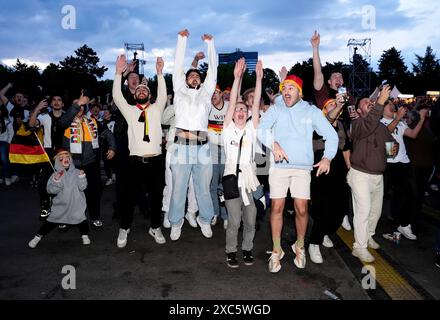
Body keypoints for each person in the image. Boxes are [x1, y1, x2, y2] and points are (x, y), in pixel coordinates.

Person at [257, 74, 338, 271]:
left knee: (301, 209)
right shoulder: (276, 109)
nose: (286, 92)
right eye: (284, 88)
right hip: (279, 167)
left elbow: (331, 135)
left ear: (299, 92)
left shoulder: (311, 111)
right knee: (276, 207)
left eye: (291, 88)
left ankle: (299, 245)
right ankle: (277, 250)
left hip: (302, 168)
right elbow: (261, 129)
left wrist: (327, 157)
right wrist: (273, 143)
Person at [113, 55, 167, 247]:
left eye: (145, 89)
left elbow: (162, 94)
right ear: (135, 95)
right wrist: (119, 72)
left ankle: (155, 226)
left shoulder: (157, 109)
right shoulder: (130, 111)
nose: (141, 91)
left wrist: (159, 73)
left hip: (156, 161)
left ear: (149, 95)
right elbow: (117, 96)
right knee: (129, 197)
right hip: (134, 162)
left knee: (156, 197)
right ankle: (124, 228)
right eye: (139, 90)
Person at [168, 29, 217, 241]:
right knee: (178, 187)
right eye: (191, 75)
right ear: (186, 79)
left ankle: (205, 219)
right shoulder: (179, 90)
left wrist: (210, 44)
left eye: (197, 75)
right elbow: (177, 65)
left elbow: (213, 70)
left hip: (203, 147)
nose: (194, 77)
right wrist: (182, 39)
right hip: (181, 145)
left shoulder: (206, 94)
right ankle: (176, 222)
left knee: (203, 188)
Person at [347, 85, 396, 263]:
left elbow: (391, 148)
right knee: (363, 211)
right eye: (366, 102)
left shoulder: (382, 128)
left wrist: (392, 149)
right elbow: (369, 123)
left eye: (372, 101)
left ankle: (368, 236)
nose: (371, 103)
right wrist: (381, 101)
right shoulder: (358, 123)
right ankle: (359, 248)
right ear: (359, 111)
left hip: (378, 176)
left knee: (375, 211)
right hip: (360, 174)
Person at [223, 58, 262, 268]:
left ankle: (247, 249)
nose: (240, 111)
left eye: (243, 110)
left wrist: (258, 78)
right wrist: (237, 78)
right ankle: (231, 251)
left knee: (251, 218)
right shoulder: (228, 128)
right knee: (234, 220)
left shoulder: (251, 128)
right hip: (231, 178)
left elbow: (255, 104)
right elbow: (230, 105)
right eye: (237, 109)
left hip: (248, 179)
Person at [59, 93, 116, 228]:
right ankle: (66, 219)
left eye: (82, 106)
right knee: (68, 193)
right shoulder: (66, 121)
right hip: (71, 164)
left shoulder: (92, 121)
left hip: (91, 164)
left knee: (94, 193)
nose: (79, 108)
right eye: (76, 105)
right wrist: (78, 102)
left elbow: (108, 134)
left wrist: (113, 147)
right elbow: (62, 122)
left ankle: (94, 217)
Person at [381, 101, 428, 240]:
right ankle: (367, 226)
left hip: (404, 163)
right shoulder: (379, 122)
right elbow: (385, 133)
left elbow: (413, 134)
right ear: (382, 108)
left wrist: (422, 119)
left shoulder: (400, 122)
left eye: (392, 104)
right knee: (379, 196)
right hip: (387, 165)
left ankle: (404, 224)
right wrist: (397, 118)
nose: (392, 106)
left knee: (411, 195)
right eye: (388, 104)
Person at [28, 149, 90, 248]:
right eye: (61, 158)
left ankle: (84, 235)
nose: (65, 159)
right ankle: (37, 237)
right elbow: (50, 190)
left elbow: (82, 187)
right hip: (61, 205)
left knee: (82, 221)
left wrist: (82, 177)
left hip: (76, 205)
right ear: (57, 161)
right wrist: (56, 181)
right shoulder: (55, 174)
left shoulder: (78, 172)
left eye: (67, 157)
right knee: (50, 221)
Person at [29, 95, 66, 218]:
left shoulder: (68, 117)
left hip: (65, 152)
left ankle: (62, 209)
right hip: (48, 152)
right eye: (54, 100)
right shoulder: (44, 117)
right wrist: (37, 109)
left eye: (59, 100)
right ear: (50, 104)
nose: (56, 102)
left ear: (63, 104)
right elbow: (31, 125)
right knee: (44, 180)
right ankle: (45, 205)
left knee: (63, 181)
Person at [209, 85, 228, 229]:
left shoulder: (229, 106)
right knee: (213, 184)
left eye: (216, 93)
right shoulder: (207, 107)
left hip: (227, 151)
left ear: (222, 94)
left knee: (226, 185)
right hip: (212, 150)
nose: (213, 95)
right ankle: (215, 212)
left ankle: (225, 215)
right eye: (211, 93)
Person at [0, 105, 14, 186]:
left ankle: (7, 177)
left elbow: (11, 132)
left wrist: (8, 142)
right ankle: (1, 177)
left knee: (4, 160)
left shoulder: (6, 120)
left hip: (3, 142)